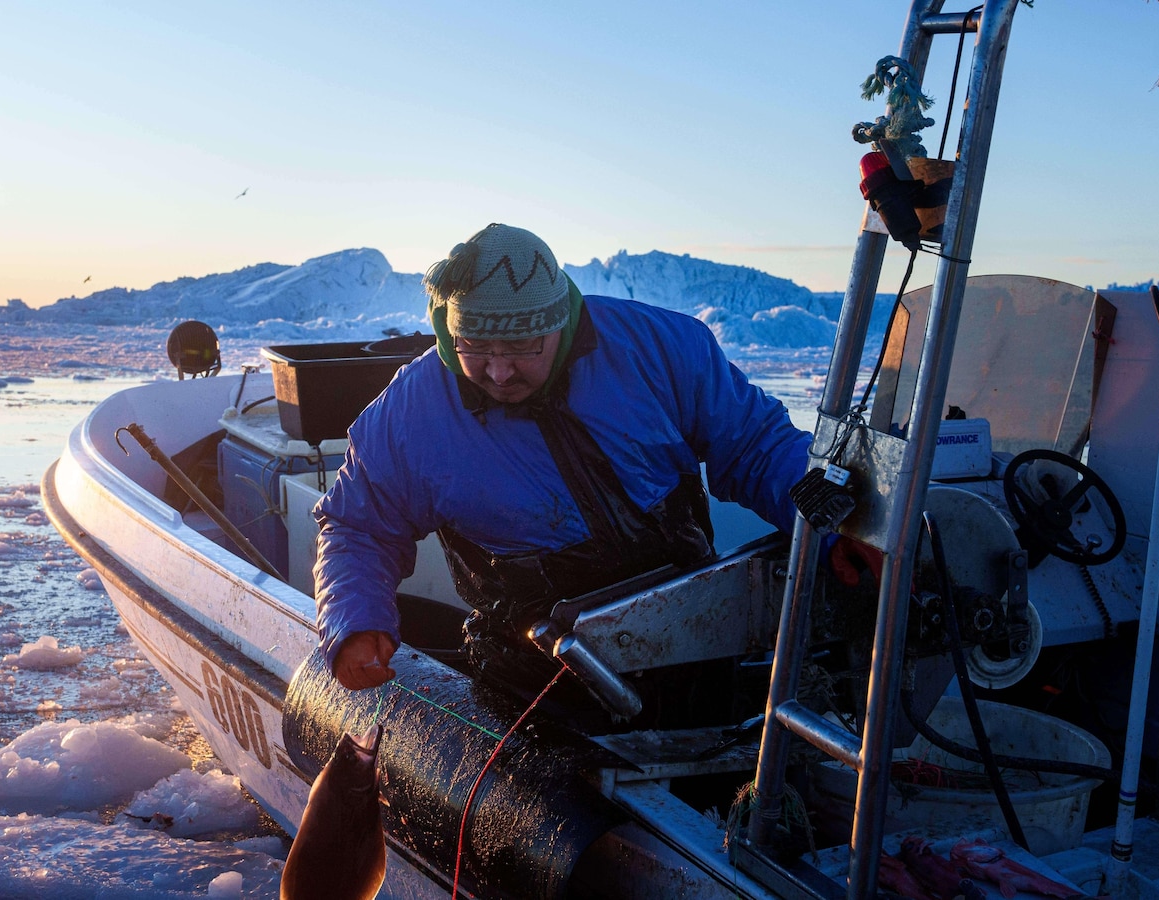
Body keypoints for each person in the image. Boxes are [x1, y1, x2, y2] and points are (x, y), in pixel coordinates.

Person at [313, 223, 814, 696]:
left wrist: (830, 525)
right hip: (529, 668)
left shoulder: (661, 348)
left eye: (521, 346)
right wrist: (355, 623)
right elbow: (358, 528)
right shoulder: (410, 413)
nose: (500, 371)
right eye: (475, 347)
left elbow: (757, 445)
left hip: (689, 627)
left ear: (561, 325)